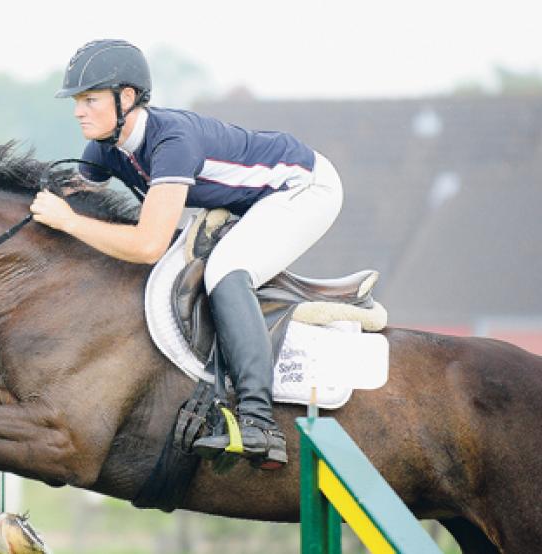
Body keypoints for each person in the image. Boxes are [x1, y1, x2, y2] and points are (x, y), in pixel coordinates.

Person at [29, 39, 344, 470]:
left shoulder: (172, 141)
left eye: (89, 99)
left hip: (304, 188)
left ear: (125, 99)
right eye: (77, 101)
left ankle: (259, 420)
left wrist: (68, 221)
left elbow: (146, 244)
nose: (78, 111)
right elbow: (78, 199)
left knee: (226, 271)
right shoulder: (103, 148)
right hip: (250, 201)